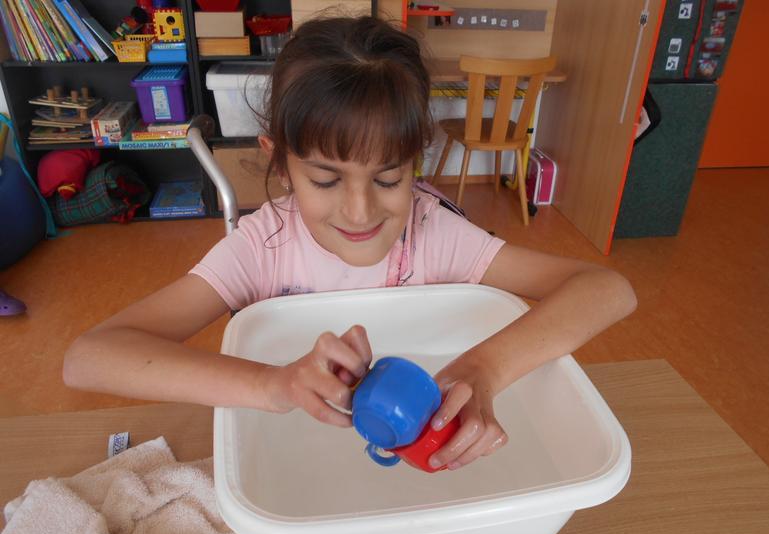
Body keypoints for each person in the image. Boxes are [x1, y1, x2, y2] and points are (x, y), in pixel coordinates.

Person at [63, 15, 637, 472]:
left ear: (415, 162)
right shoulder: (262, 247)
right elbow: (90, 357)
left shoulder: (434, 232)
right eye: (325, 180)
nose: (361, 212)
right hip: (299, 463)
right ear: (280, 163)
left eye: (388, 178)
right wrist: (273, 383)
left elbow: (607, 289)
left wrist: (484, 369)